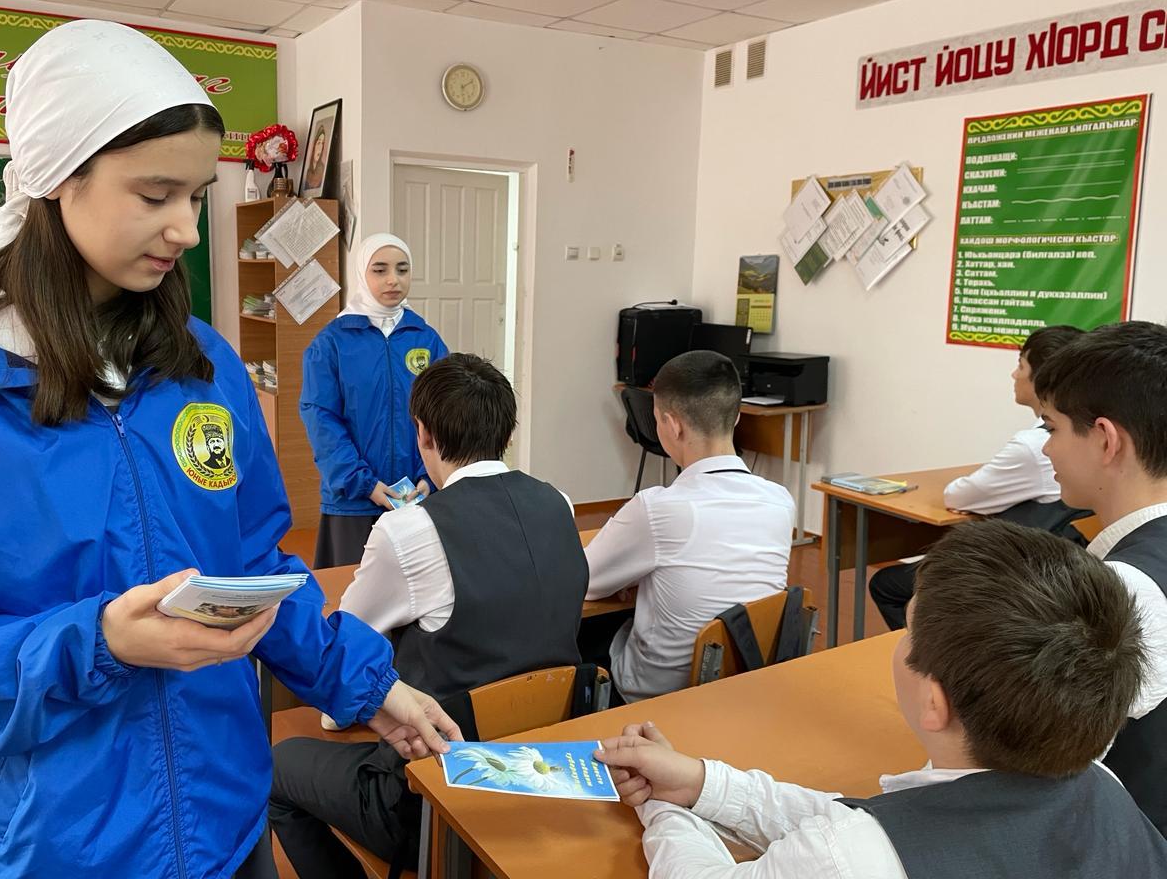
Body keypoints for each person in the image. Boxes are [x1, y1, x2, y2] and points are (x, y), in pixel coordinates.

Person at [0, 20, 457, 879]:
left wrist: (365, 684)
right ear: (56, 178)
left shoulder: (203, 364)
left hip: (223, 822)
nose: (187, 230)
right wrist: (98, 644)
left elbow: (251, 565)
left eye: (195, 196)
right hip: (42, 850)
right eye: (156, 195)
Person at [595, 520, 1167, 876]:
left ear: (934, 702)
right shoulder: (1103, 788)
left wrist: (664, 810)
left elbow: (845, 848)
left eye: (907, 629)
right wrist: (700, 784)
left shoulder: (855, 857)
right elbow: (857, 822)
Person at [271, 353, 589, 876]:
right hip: (545, 765)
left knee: (277, 767)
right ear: (507, 434)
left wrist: (339, 714)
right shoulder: (559, 502)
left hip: (438, 786)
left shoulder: (409, 531)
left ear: (423, 434)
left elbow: (347, 648)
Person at [584, 350, 793, 702]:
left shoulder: (657, 509)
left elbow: (585, 581)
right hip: (748, 685)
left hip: (658, 697)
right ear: (736, 416)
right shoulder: (780, 501)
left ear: (673, 424)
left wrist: (635, 580)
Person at [1034, 320, 1167, 835]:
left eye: (1051, 428)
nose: (1046, 449)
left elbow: (1035, 769)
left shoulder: (1124, 592)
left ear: (1107, 439)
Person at [870, 324, 1086, 630]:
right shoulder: (1083, 437)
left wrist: (985, 496)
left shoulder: (1033, 446)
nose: (1014, 374)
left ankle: (928, 656)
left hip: (1017, 572)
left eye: (1021, 365)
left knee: (887, 584)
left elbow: (958, 496)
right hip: (1059, 570)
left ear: (1041, 378)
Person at [301, 232, 448, 568]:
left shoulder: (426, 339)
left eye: (402, 269)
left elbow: (445, 413)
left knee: (416, 589)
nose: (393, 279)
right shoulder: (331, 343)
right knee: (350, 588)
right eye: (380, 270)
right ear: (361, 274)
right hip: (353, 502)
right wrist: (363, 483)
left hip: (416, 498)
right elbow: (321, 418)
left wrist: (430, 477)